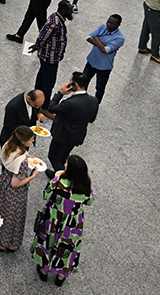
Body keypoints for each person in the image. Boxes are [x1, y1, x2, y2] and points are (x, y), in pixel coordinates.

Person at [33, 154, 95, 287]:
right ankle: (61, 276)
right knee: (68, 246)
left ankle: (44, 270)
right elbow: (89, 201)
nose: (65, 164)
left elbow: (46, 195)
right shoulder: (85, 186)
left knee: (48, 242)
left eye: (67, 162)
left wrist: (56, 177)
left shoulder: (58, 181)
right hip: (73, 223)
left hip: (55, 218)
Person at [45, 72, 99, 173]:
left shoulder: (69, 103)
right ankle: (58, 174)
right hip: (76, 136)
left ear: (75, 85)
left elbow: (51, 108)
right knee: (64, 156)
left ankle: (63, 177)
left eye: (70, 81)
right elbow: (91, 119)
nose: (67, 83)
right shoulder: (94, 101)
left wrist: (60, 93)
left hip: (62, 135)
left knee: (53, 157)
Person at [30, 1, 72, 98]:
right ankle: (43, 104)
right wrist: (36, 46)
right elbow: (43, 37)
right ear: (63, 10)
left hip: (51, 57)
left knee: (42, 77)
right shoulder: (54, 24)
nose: (71, 12)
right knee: (48, 83)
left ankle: (36, 96)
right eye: (70, 10)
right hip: (49, 58)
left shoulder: (57, 18)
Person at [81, 14, 126, 102]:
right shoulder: (103, 27)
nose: (108, 24)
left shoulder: (120, 38)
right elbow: (89, 38)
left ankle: (95, 105)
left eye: (112, 23)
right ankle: (80, 101)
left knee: (100, 88)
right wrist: (101, 45)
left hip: (104, 67)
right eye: (108, 21)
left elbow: (105, 50)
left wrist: (97, 39)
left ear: (118, 25)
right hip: (91, 61)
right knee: (83, 83)